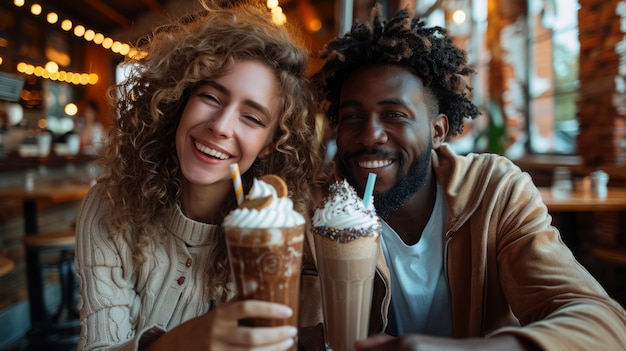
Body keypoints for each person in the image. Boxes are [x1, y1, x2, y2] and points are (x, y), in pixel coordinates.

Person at [309, 3, 626, 350]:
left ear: (438, 131)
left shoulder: (493, 191)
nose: (370, 136)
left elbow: (603, 321)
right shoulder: (315, 205)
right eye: (352, 117)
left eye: (395, 114)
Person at [74, 1, 322, 350]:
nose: (220, 126)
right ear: (179, 101)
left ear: (269, 144)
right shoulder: (110, 208)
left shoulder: (281, 235)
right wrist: (186, 341)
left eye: (251, 118)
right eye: (210, 96)